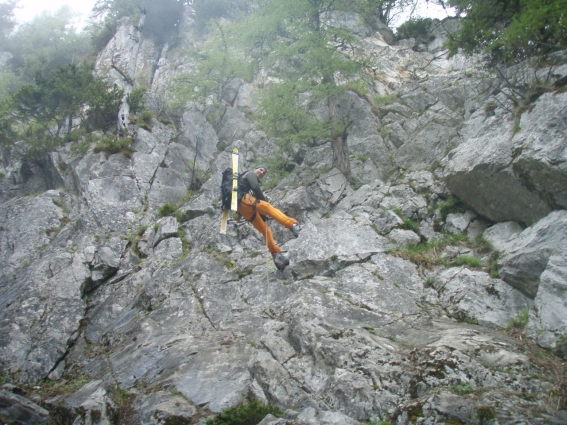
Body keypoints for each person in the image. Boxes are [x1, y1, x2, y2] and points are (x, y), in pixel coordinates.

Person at [237, 164, 301, 270]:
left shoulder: (246, 182)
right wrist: (264, 201)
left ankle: (276, 255)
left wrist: (263, 216)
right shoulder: (250, 174)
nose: (261, 172)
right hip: (245, 201)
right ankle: (292, 225)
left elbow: (255, 199)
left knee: (265, 230)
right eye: (261, 170)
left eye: (264, 172)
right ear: (255, 169)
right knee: (269, 207)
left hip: (244, 210)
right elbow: (255, 187)